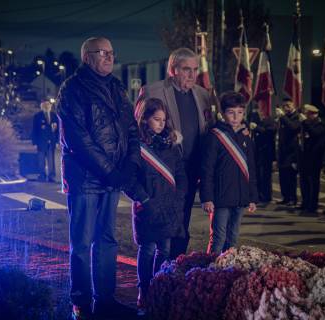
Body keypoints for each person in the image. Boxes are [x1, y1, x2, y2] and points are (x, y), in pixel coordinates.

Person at [55, 37, 140, 320]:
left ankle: (105, 299)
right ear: (87, 57)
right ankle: (81, 304)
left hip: (112, 179)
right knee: (81, 243)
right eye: (103, 53)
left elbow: (130, 129)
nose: (109, 58)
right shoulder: (72, 89)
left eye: (112, 53)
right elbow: (79, 140)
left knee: (107, 240)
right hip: (85, 179)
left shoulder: (116, 87)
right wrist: (111, 171)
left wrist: (129, 165)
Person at [135, 47, 212, 259]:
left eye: (195, 69)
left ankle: (175, 266)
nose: (192, 75)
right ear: (173, 69)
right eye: (186, 69)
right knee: (158, 227)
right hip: (161, 171)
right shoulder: (152, 91)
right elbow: (138, 129)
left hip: (191, 169)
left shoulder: (203, 95)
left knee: (182, 220)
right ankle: (155, 275)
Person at [125, 98, 186, 315]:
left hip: (169, 207)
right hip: (148, 208)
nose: (161, 124)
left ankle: (157, 290)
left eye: (163, 120)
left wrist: (179, 198)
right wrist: (144, 199)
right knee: (148, 248)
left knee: (165, 249)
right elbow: (129, 178)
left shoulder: (171, 145)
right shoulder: (137, 146)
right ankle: (144, 290)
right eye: (156, 120)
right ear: (145, 119)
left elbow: (181, 174)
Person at [200, 91, 258, 254]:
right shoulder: (215, 136)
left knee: (233, 237)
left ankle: (226, 272)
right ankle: (211, 271)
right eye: (231, 112)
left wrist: (252, 197)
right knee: (218, 237)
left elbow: (251, 168)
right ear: (223, 113)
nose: (235, 117)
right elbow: (207, 169)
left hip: (240, 197)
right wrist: (207, 198)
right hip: (220, 197)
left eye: (240, 112)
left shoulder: (245, 136)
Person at [297, 104, 325, 215]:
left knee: (313, 183)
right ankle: (305, 202)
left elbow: (315, 134)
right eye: (306, 114)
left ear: (315, 114)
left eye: (308, 114)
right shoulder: (306, 124)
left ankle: (312, 205)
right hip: (304, 157)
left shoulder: (320, 124)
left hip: (315, 158)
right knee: (304, 181)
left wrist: (305, 122)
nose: (307, 116)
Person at [275, 98, 301, 206]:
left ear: (293, 105)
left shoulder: (297, 116)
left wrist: (283, 117)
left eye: (288, 105)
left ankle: (292, 198)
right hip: (283, 151)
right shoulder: (283, 118)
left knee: (291, 177)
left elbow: (293, 127)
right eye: (284, 105)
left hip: (292, 152)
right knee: (283, 177)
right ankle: (285, 197)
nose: (286, 107)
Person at [249, 106, 276, 205]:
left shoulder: (270, 121)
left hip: (266, 153)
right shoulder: (257, 120)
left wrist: (257, 128)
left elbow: (269, 132)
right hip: (257, 153)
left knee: (265, 176)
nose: (260, 112)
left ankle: (266, 196)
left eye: (261, 110)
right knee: (258, 176)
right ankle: (259, 195)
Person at [31, 100, 59, 182]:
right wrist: (35, 142)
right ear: (42, 106)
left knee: (51, 160)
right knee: (41, 160)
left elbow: (57, 130)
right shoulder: (37, 116)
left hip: (51, 141)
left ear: (50, 106)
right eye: (45, 105)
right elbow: (35, 130)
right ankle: (42, 175)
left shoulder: (54, 116)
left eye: (48, 105)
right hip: (41, 142)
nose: (47, 106)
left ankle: (51, 176)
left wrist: (57, 141)